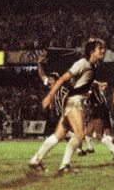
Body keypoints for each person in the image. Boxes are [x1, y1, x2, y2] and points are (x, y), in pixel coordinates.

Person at [28, 38, 106, 174]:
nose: (103, 51)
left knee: (59, 135)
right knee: (80, 134)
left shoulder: (94, 65)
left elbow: (85, 80)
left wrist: (97, 84)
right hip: (74, 102)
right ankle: (65, 165)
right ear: (92, 51)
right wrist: (49, 96)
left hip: (73, 102)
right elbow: (63, 79)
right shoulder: (82, 63)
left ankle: (35, 160)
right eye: (100, 48)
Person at [84, 80, 114, 160]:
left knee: (98, 135)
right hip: (98, 111)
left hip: (99, 111)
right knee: (88, 132)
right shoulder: (93, 88)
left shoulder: (91, 87)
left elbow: (89, 91)